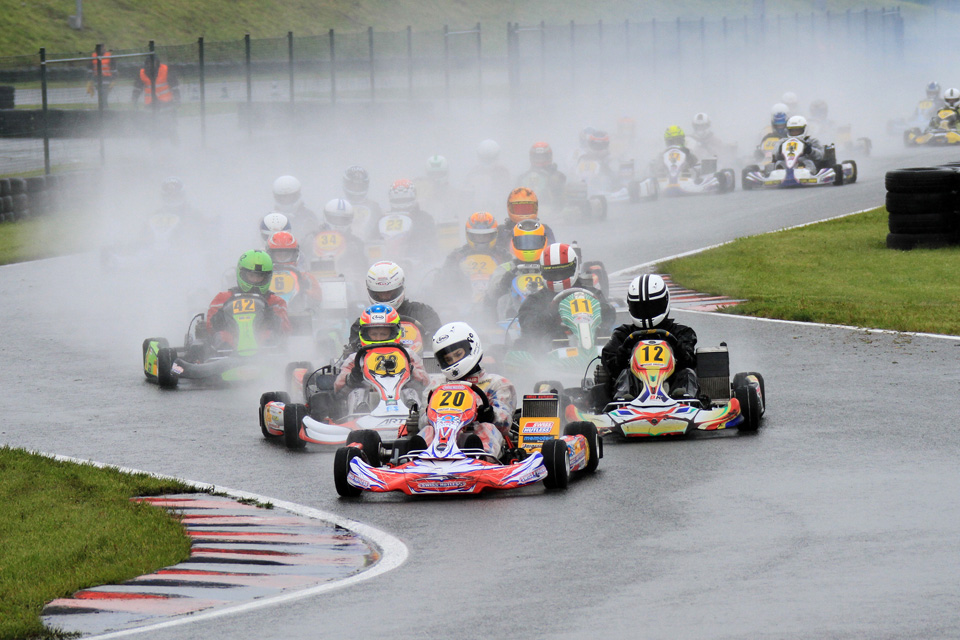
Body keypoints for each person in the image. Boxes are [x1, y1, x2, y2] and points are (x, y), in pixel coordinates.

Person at [412, 322, 519, 456]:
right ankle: (417, 461)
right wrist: (431, 414)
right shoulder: (436, 386)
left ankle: (479, 459)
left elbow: (505, 424)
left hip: (474, 437)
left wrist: (490, 414)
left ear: (471, 347)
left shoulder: (497, 384)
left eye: (458, 354)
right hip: (442, 437)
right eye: (448, 359)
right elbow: (422, 422)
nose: (454, 361)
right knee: (428, 430)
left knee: (487, 428)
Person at [601, 273, 699, 402]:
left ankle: (685, 400)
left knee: (687, 373)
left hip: (673, 392)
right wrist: (624, 352)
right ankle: (622, 402)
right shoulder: (623, 335)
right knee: (625, 374)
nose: (647, 313)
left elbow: (689, 362)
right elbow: (611, 367)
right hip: (633, 396)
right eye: (640, 308)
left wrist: (676, 347)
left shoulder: (681, 333)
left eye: (652, 306)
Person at [515, 242, 615, 352]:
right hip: (550, 351)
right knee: (523, 346)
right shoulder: (536, 300)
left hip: (594, 346)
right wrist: (550, 314)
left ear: (574, 267)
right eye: (553, 272)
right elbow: (528, 327)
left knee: (610, 335)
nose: (558, 276)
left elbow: (610, 318)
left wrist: (602, 309)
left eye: (563, 271)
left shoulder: (591, 293)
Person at [334, 303, 430, 400]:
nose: (378, 339)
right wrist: (352, 379)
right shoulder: (356, 359)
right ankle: (359, 412)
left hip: (401, 400)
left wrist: (411, 372)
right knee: (358, 393)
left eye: (383, 334)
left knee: (410, 392)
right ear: (364, 333)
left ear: (394, 332)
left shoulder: (408, 355)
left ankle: (412, 411)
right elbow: (338, 389)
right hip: (367, 407)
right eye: (374, 334)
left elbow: (425, 384)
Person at [342, 261, 442, 354]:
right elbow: (354, 357)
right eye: (380, 294)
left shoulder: (422, 313)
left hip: (417, 367)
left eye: (389, 293)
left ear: (400, 288)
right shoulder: (362, 323)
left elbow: (438, 346)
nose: (385, 297)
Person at [205, 250, 292, 349]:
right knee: (221, 336)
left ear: (267, 277)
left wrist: (273, 319)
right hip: (230, 349)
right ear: (241, 274)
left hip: (263, 350)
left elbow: (285, 329)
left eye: (260, 276)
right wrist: (220, 318)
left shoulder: (275, 302)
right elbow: (210, 328)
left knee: (269, 335)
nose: (255, 280)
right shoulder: (223, 299)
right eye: (251, 275)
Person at [433, 212, 510, 304]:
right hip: (462, 302)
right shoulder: (456, 255)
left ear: (494, 235)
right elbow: (445, 280)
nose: (481, 240)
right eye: (477, 236)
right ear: (468, 235)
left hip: (495, 302)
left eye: (485, 236)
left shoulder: (504, 255)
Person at [484, 219, 549, 321]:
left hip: (546, 315)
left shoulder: (550, 267)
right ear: (514, 242)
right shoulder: (506, 268)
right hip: (512, 316)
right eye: (524, 242)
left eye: (533, 242)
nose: (529, 247)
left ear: (543, 241)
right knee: (501, 298)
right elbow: (491, 294)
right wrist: (503, 283)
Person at [311, 198, 368, 279]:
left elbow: (364, 269)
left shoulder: (356, 243)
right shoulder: (312, 238)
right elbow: (302, 264)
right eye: (335, 219)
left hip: (348, 283)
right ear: (326, 217)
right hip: (317, 281)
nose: (339, 223)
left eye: (343, 219)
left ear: (350, 220)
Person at [265, 231, 323, 309]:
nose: (282, 259)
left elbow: (318, 298)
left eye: (286, 255)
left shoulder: (305, 276)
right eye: (279, 255)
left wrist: (304, 292)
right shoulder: (263, 277)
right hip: (269, 313)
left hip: (298, 312)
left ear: (295, 254)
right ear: (270, 255)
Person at [132, 57, 180, 142]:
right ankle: (154, 142)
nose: (151, 66)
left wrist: (177, 98)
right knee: (151, 124)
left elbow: (174, 86)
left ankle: (173, 138)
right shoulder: (142, 73)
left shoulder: (166, 70)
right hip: (151, 103)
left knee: (169, 122)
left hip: (166, 102)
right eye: (149, 64)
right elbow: (137, 88)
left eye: (152, 63)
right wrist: (134, 100)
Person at [464, 139, 513, 213]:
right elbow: (466, 198)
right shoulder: (473, 173)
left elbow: (507, 195)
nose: (487, 162)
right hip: (476, 214)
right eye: (484, 159)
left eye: (490, 159)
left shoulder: (503, 173)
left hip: (498, 212)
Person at [515, 142, 567, 209]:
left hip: (551, 210)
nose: (540, 160)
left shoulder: (558, 176)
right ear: (531, 157)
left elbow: (561, 198)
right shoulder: (522, 178)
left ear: (549, 157)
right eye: (537, 157)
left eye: (543, 157)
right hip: (526, 210)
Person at [341, 165, 384, 238]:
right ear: (346, 184)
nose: (356, 188)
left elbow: (381, 228)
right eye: (353, 185)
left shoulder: (374, 207)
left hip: (368, 245)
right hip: (343, 244)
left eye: (360, 185)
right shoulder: (339, 206)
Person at [271, 176, 319, 240]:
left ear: (298, 195)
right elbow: (259, 241)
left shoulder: (309, 217)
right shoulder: (268, 219)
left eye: (290, 197)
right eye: (282, 197)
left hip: (303, 249)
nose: (286, 200)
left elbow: (316, 240)